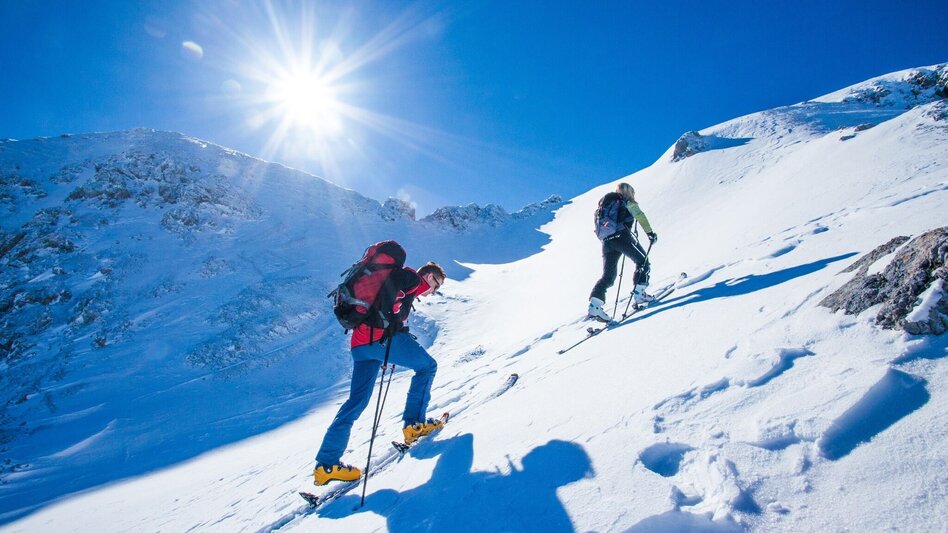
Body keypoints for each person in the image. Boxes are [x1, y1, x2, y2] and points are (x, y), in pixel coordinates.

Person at [313, 261, 448, 486]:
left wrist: (395, 322)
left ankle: (326, 465)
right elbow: (390, 297)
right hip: (380, 339)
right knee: (427, 367)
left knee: (356, 402)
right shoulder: (411, 279)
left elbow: (386, 301)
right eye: (437, 285)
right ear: (429, 277)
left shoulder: (405, 284)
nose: (434, 291)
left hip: (360, 345)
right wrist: (393, 323)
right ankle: (414, 425)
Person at [587, 182, 658, 322]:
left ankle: (594, 306)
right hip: (622, 238)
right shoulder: (627, 202)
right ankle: (640, 294)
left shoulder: (605, 205)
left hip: (607, 242)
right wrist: (650, 233)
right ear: (630, 192)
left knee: (608, 276)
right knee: (643, 261)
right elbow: (640, 216)